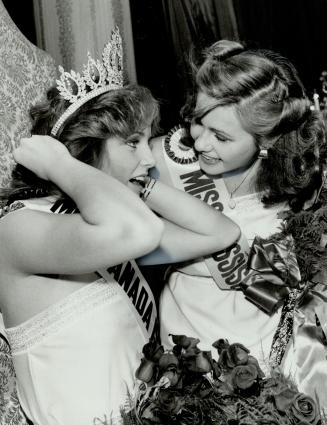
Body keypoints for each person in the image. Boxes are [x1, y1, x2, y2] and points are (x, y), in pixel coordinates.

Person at [0, 30, 240, 425]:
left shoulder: (110, 228)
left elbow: (219, 232)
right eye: (132, 142)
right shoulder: (22, 227)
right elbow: (138, 233)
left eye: (148, 141)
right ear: (86, 147)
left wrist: (139, 181)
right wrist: (64, 165)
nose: (150, 157)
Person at [150, 39, 327, 405]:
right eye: (198, 121)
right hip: (188, 334)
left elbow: (284, 281)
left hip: (265, 340)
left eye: (222, 137)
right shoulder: (164, 160)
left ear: (266, 140)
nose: (200, 143)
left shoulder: (294, 186)